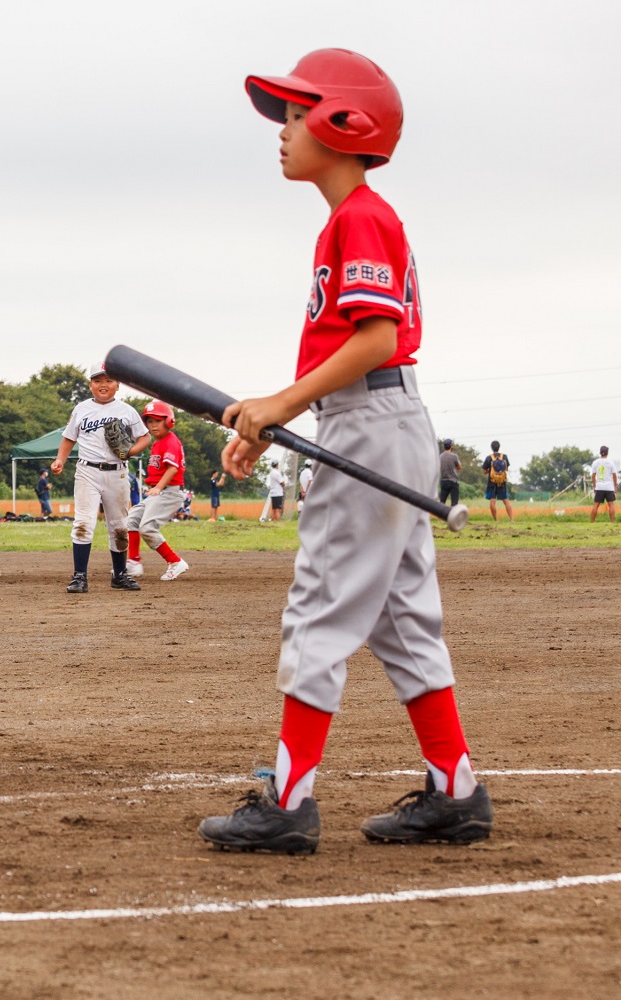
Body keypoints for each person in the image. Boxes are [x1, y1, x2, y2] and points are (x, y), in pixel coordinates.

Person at [199, 49, 493, 854]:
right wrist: (280, 414)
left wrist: (281, 404)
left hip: (370, 421)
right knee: (403, 619)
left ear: (342, 123)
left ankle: (289, 802)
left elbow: (375, 339)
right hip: (380, 421)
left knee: (320, 607)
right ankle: (456, 791)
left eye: (297, 115)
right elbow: (362, 351)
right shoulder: (355, 218)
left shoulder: (359, 215)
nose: (284, 131)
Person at [50, 363, 150, 593]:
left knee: (119, 526)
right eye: (97, 381)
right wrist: (60, 460)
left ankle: (120, 575)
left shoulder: (126, 411)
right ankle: (79, 577)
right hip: (88, 471)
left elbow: (144, 438)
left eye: (108, 380)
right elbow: (69, 438)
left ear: (117, 385)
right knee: (83, 523)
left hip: (118, 472)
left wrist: (130, 451)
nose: (103, 385)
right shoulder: (81, 409)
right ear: (90, 385)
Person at [123, 401, 190, 582]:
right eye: (150, 421)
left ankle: (175, 561)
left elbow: (173, 469)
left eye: (158, 421)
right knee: (131, 520)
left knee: (147, 527)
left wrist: (159, 487)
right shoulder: (158, 442)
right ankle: (133, 562)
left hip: (169, 492)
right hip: (159, 492)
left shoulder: (170, 442)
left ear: (169, 421)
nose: (153, 425)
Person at [482, 441, 514, 522]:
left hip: (492, 482)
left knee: (492, 501)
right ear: (499, 447)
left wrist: (490, 470)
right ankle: (511, 520)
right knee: (506, 500)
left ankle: (496, 520)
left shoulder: (489, 458)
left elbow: (484, 471)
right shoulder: (504, 456)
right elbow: (506, 469)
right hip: (502, 482)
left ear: (491, 448)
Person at [592, 445, 618, 522]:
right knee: (611, 505)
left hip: (599, 486)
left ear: (600, 453)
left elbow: (593, 476)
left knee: (596, 505)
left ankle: (592, 521)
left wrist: (594, 486)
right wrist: (615, 486)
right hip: (609, 487)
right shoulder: (611, 463)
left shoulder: (595, 463)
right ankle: (612, 521)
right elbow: (614, 475)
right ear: (607, 453)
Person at [437, 439, 462, 507]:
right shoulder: (454, 456)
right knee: (454, 503)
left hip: (443, 481)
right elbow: (459, 467)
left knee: (442, 502)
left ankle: (440, 513)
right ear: (451, 446)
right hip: (453, 481)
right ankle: (453, 513)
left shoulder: (440, 456)